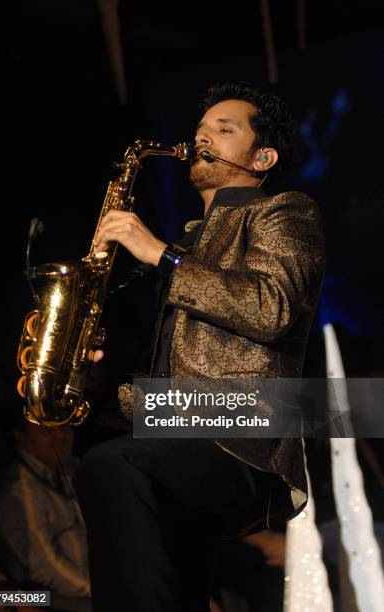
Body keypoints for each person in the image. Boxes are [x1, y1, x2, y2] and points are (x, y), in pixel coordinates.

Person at [75, 82, 325, 611]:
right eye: (200, 129)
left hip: (242, 430)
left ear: (264, 156)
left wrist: (161, 255)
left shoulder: (283, 211)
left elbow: (270, 307)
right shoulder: (190, 242)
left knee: (112, 468)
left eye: (223, 129)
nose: (201, 138)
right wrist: (90, 380)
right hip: (175, 430)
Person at [0, 419, 91, 609]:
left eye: (65, 427)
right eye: (45, 430)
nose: (61, 435)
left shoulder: (76, 470)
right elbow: (44, 566)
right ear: (19, 435)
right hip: (51, 598)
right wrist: (98, 590)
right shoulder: (18, 489)